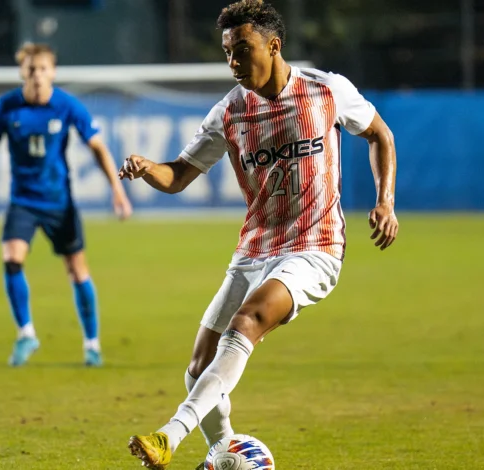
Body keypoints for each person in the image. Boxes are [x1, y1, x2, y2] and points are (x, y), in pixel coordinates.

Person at [120, 0, 397, 467]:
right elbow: (179, 175)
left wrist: (385, 201)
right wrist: (150, 168)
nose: (233, 62)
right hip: (254, 250)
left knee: (247, 320)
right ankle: (227, 452)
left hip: (316, 246)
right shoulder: (229, 113)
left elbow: (379, 135)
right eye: (227, 52)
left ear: (274, 45)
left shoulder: (326, 91)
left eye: (242, 50)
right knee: (197, 368)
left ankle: (170, 434)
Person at [0, 42, 133, 367]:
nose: (38, 76)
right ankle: (26, 333)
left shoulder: (67, 105)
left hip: (60, 202)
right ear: (23, 72)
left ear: (53, 72)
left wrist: (117, 189)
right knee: (11, 259)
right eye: (31, 70)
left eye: (43, 69)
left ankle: (92, 344)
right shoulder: (7, 106)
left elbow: (97, 147)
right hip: (23, 201)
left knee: (77, 270)